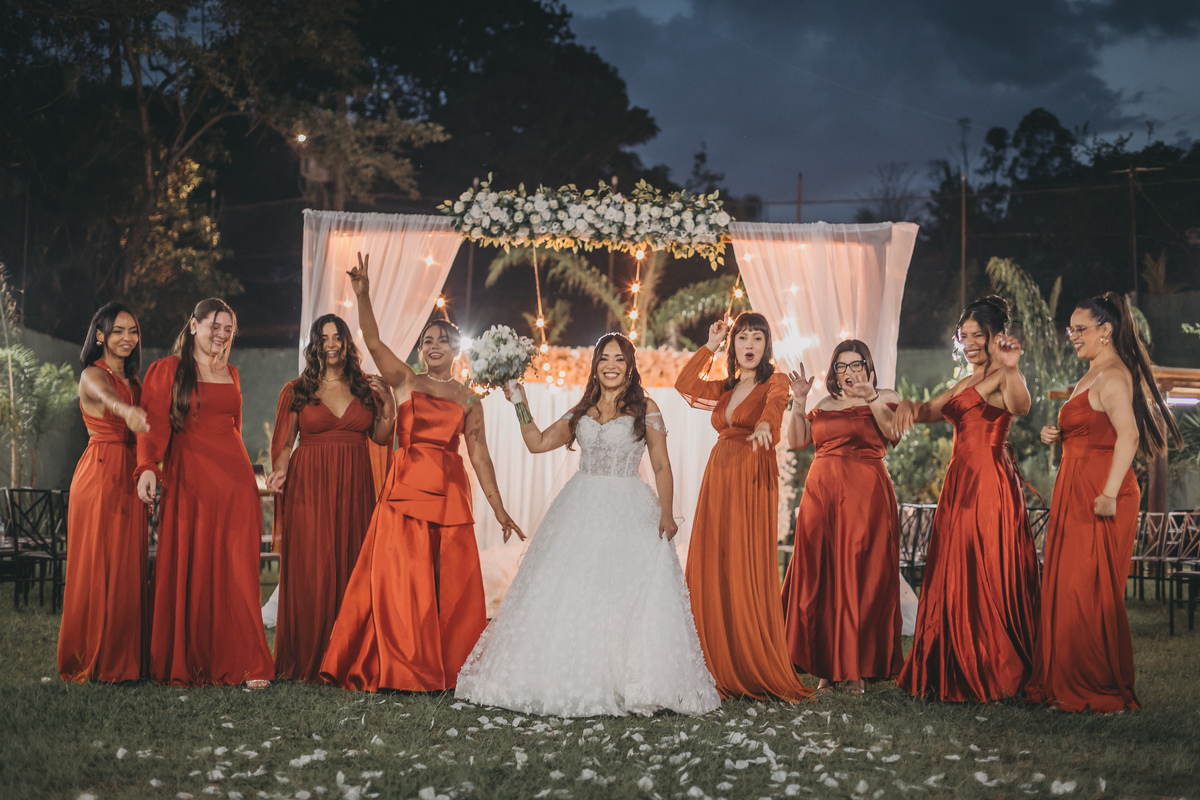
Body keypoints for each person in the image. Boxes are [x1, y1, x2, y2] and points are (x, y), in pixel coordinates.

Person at [456, 334, 720, 716]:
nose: (611, 366)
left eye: (619, 359)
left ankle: (629, 678)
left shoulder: (646, 408)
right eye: (604, 359)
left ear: (630, 367)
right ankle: (567, 674)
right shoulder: (582, 410)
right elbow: (537, 442)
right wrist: (519, 402)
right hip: (580, 505)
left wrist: (667, 512)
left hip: (630, 507)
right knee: (573, 588)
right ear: (595, 366)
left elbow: (662, 465)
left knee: (624, 592)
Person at [320, 253, 521, 692]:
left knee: (448, 584)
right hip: (405, 491)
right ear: (420, 349)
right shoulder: (406, 380)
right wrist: (363, 295)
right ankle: (400, 665)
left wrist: (500, 508)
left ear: (455, 350)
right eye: (427, 340)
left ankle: (446, 665)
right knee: (401, 579)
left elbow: (481, 455)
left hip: (449, 495)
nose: (433, 346)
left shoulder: (470, 399)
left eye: (442, 341)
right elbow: (374, 342)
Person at [1026, 292, 1181, 713]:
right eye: (1071, 330)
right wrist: (1058, 434)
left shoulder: (1112, 375)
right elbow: (1094, 428)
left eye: (1081, 329)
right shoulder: (1093, 372)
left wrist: (1110, 494)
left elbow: (1128, 435)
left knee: (1086, 589)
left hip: (1100, 491)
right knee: (1068, 584)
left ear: (1105, 330)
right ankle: (1063, 680)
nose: (1073, 336)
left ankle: (1090, 685)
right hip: (1077, 486)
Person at [893, 295, 1041, 703]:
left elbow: (1021, 406)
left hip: (989, 482)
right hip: (960, 481)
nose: (970, 343)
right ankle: (956, 658)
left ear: (997, 336)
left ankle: (994, 667)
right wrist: (908, 405)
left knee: (986, 565)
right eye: (965, 336)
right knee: (956, 565)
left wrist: (1011, 367)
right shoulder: (965, 380)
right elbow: (930, 410)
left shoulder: (1003, 375)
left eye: (978, 335)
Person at [135, 298, 274, 688]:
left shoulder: (232, 373)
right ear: (194, 325)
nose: (222, 334)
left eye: (228, 329)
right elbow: (151, 425)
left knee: (238, 570)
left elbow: (234, 428)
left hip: (236, 486)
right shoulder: (168, 370)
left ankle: (248, 661)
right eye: (215, 326)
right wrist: (147, 468)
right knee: (193, 567)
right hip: (191, 483)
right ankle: (195, 659)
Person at [674, 312, 811, 701]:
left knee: (743, 558)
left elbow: (775, 407)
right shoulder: (725, 386)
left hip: (752, 470)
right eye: (742, 338)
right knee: (714, 557)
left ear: (767, 345)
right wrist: (710, 345)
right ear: (733, 345)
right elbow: (684, 385)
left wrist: (767, 425)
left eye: (757, 338)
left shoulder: (775, 381)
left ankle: (748, 657)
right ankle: (713, 655)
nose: (750, 345)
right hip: (719, 473)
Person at [266, 314, 396, 682]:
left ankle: (346, 656)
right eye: (323, 338)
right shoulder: (297, 390)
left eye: (337, 337)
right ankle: (309, 654)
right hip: (308, 486)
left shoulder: (366, 388)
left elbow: (382, 437)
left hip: (354, 485)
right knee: (313, 566)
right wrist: (280, 471)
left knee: (351, 562)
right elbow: (284, 445)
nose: (331, 344)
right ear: (315, 345)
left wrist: (389, 406)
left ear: (347, 342)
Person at [781, 340, 903, 695]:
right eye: (842, 366)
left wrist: (871, 397)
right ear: (834, 371)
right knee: (822, 575)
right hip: (821, 496)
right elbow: (798, 441)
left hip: (864, 497)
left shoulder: (885, 396)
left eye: (856, 364)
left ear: (868, 367)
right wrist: (799, 401)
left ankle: (854, 670)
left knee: (858, 575)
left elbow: (893, 432)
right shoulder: (825, 404)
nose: (849, 372)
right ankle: (827, 667)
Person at [57, 303, 151, 683]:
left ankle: (123, 659)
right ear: (100, 335)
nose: (128, 338)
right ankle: (90, 657)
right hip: (100, 473)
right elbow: (107, 397)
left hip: (131, 474)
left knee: (127, 566)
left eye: (133, 331)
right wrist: (125, 412)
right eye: (118, 331)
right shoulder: (92, 374)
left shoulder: (136, 382)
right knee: (98, 564)